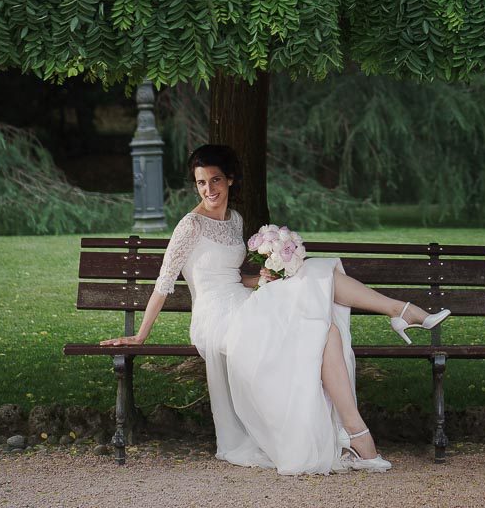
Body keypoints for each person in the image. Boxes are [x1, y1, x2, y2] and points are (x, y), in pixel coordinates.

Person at [97, 144, 451, 474]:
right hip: (217, 317)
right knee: (316, 310)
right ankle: (400, 316)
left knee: (321, 312)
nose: (208, 190)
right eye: (201, 183)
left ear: (230, 179)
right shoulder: (189, 226)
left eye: (215, 180)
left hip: (244, 301)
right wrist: (141, 334)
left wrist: (263, 277)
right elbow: (164, 282)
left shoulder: (234, 220)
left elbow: (233, 276)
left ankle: (359, 435)